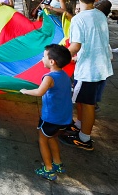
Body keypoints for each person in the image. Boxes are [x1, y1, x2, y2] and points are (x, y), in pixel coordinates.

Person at [58, 0, 113, 151]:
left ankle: (84, 138)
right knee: (83, 100)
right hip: (101, 66)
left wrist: (58, 57)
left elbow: (75, 46)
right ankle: (79, 125)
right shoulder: (100, 15)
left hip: (90, 69)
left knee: (88, 104)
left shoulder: (79, 19)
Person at [20, 44, 73, 181]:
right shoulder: (65, 75)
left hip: (51, 118)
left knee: (43, 140)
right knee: (53, 138)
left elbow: (39, 92)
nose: (42, 59)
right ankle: (58, 163)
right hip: (64, 118)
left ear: (52, 62)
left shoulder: (49, 78)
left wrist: (25, 91)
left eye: (44, 56)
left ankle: (48, 169)